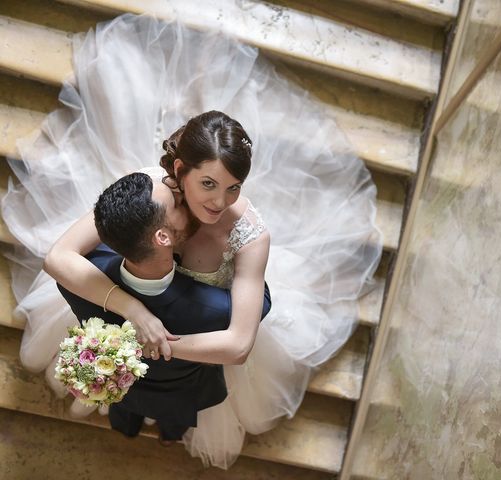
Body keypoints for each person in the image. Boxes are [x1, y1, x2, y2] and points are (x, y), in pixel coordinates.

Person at [1, 14, 382, 468]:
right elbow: (59, 256)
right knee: (123, 395)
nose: (220, 203)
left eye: (234, 187)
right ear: (180, 171)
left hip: (194, 338)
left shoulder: (250, 237)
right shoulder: (149, 192)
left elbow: (239, 345)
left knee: (183, 405)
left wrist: (153, 345)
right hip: (136, 294)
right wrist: (132, 311)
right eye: (208, 185)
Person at [57, 171, 271, 445]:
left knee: (121, 410)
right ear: (162, 237)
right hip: (179, 394)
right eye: (177, 205)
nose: (184, 200)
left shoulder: (78, 279)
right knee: (174, 425)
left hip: (118, 385)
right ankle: (169, 437)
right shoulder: (218, 312)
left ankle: (126, 430)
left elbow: (59, 258)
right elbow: (259, 303)